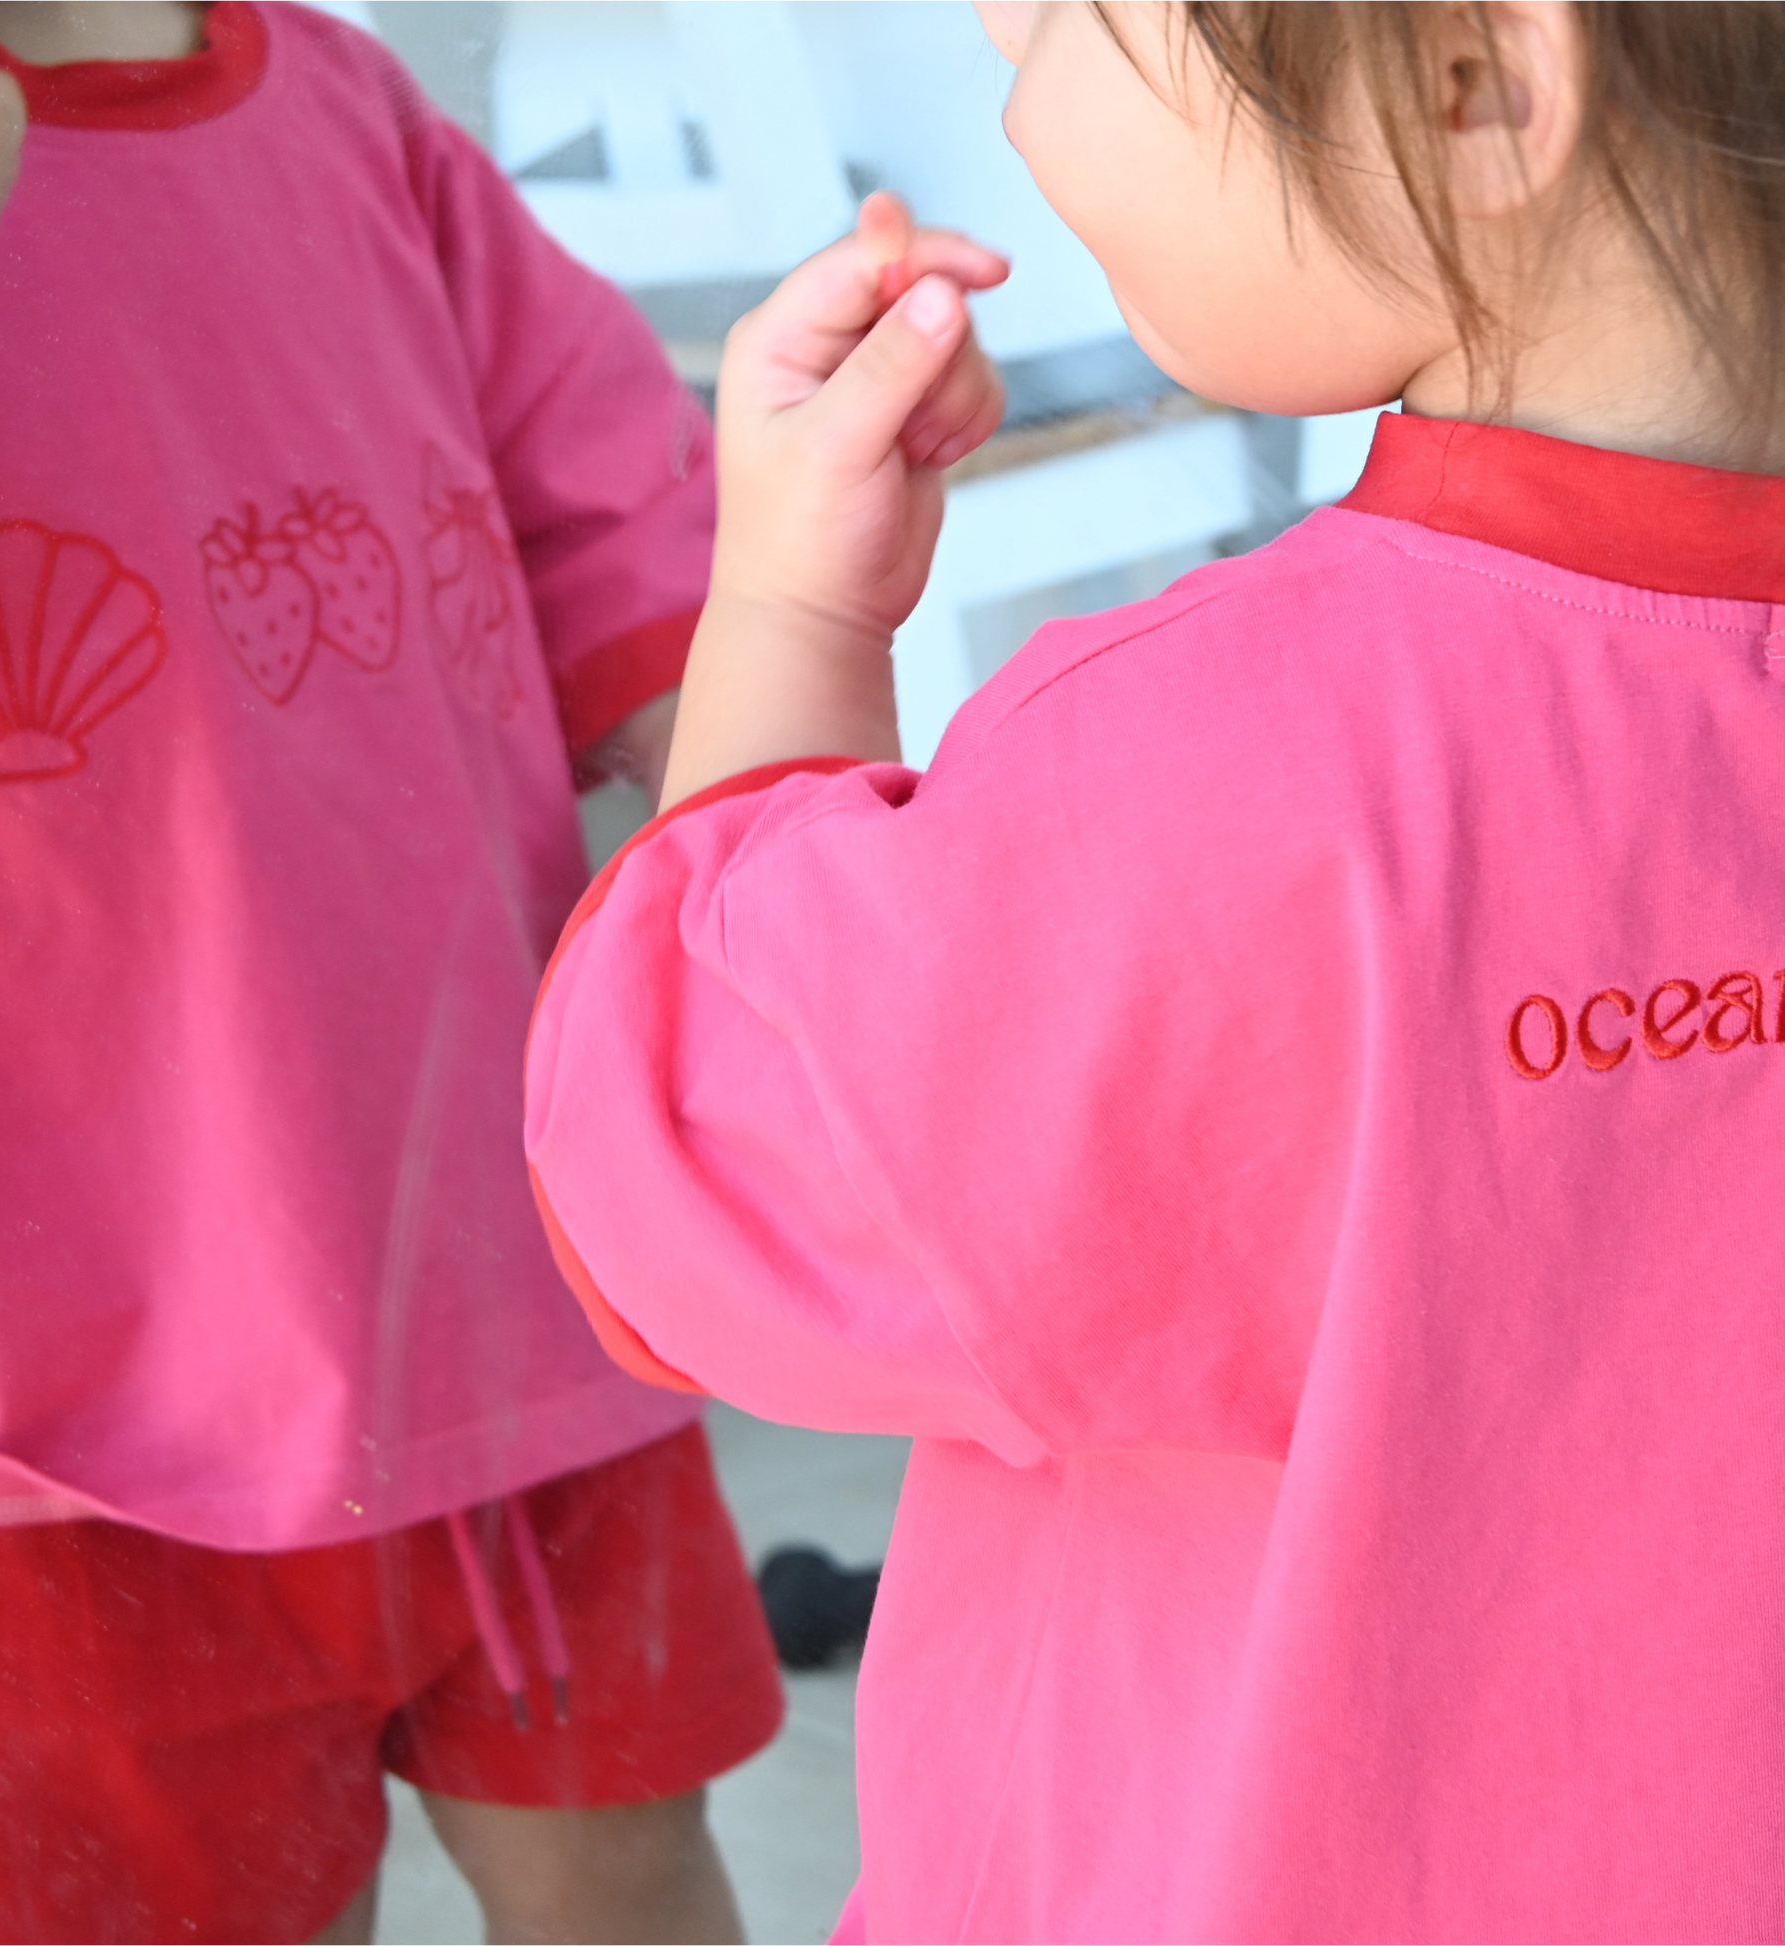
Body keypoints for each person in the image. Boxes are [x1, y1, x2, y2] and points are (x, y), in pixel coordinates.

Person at [525, 1, 1785, 1937]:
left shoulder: (1197, 778)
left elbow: (682, 1172)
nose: (997, 18)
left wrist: (785, 614)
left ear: (1476, 89)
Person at [0, 2, 783, 1940]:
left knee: (627, 1878)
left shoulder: (349, 112)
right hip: (37, 1443)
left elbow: (652, 586)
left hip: (504, 1302)